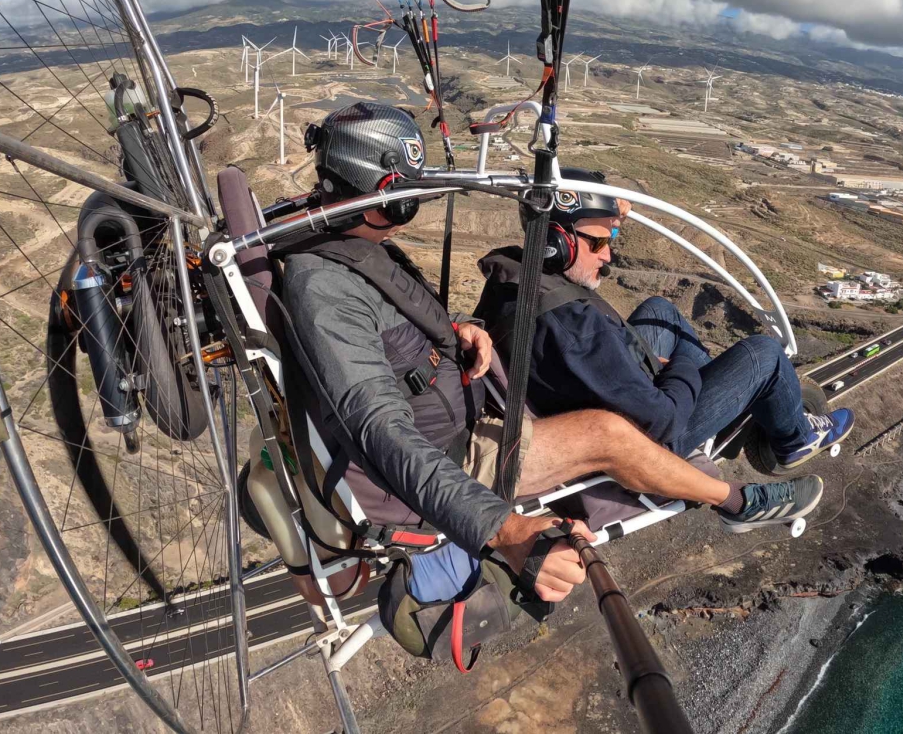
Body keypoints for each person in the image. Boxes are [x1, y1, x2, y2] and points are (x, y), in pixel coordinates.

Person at [279, 104, 827, 613]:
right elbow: (383, 431)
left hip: (474, 401)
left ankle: (736, 412)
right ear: (388, 193)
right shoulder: (325, 289)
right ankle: (735, 502)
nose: (413, 202)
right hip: (456, 449)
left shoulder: (347, 244)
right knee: (613, 427)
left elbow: (382, 340)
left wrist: (453, 331)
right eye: (408, 190)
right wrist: (505, 529)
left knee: (659, 315)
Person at [475, 168, 855, 477]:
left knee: (661, 310)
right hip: (646, 444)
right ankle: (794, 440)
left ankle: (730, 402)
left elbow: (596, 351)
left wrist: (609, 221)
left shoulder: (516, 278)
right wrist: (681, 370)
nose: (608, 256)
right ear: (559, 243)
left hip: (594, 390)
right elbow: (665, 419)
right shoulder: (577, 330)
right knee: (765, 354)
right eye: (598, 244)